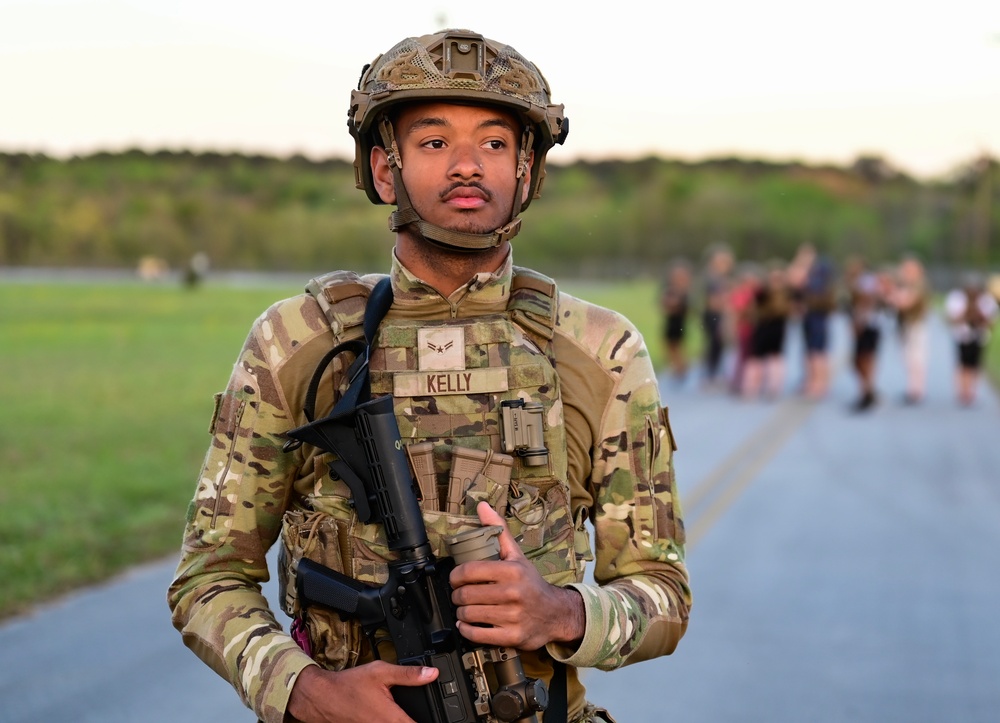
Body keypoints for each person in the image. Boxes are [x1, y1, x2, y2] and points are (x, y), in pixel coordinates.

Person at [167, 29, 691, 723]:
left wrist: (559, 612)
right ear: (387, 171)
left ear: (526, 171)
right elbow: (208, 576)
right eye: (436, 142)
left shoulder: (598, 349)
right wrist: (302, 688)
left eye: (496, 143)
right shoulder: (298, 340)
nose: (468, 166)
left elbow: (662, 594)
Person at [944, 273, 998, 406]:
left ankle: (972, 391)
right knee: (963, 364)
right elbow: (952, 318)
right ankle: (963, 391)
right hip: (962, 336)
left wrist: (979, 313)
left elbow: (991, 321)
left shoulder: (986, 300)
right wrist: (966, 311)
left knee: (975, 364)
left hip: (979, 336)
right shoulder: (957, 298)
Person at [742, 260, 792, 400]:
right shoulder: (767, 292)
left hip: (770, 328)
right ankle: (763, 387)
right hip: (767, 328)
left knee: (764, 359)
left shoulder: (776, 292)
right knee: (765, 359)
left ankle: (761, 388)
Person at [887, 255, 931, 404]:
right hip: (905, 325)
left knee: (916, 358)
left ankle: (917, 390)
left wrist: (895, 297)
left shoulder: (919, 285)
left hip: (915, 325)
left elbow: (906, 303)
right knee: (907, 358)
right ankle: (913, 388)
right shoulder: (906, 285)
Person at [848, 261, 884, 412]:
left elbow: (866, 303)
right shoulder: (858, 284)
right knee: (859, 361)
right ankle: (867, 390)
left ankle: (867, 391)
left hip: (869, 327)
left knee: (865, 360)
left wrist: (859, 322)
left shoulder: (865, 283)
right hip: (866, 326)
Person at [700, 244, 734, 388]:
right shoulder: (713, 279)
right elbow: (713, 302)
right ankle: (710, 375)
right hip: (713, 316)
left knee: (719, 345)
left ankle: (714, 373)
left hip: (719, 315)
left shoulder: (722, 278)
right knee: (714, 344)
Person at [660, 259, 693, 382]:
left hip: (679, 323)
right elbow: (664, 305)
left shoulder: (684, 291)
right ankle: (676, 368)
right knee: (669, 346)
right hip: (670, 323)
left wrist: (672, 303)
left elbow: (680, 306)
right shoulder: (670, 289)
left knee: (678, 347)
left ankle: (682, 368)